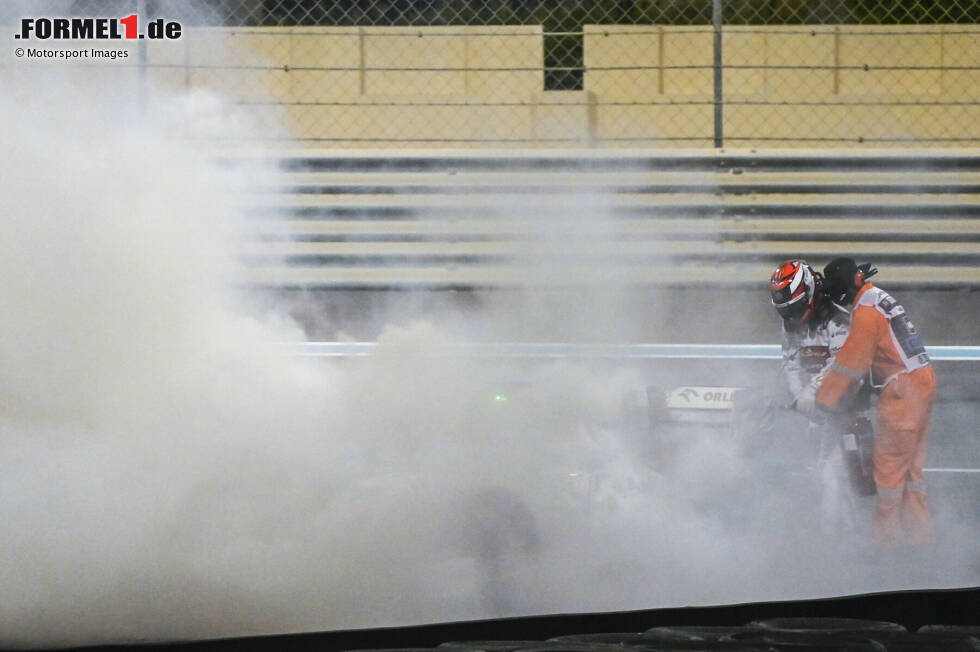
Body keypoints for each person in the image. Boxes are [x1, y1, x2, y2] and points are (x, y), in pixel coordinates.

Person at [814, 257, 936, 546]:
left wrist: (824, 399)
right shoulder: (877, 297)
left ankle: (885, 546)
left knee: (888, 473)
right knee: (911, 471)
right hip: (923, 380)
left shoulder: (866, 312)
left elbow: (851, 363)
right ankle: (921, 539)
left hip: (902, 391)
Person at [770, 259, 861, 533]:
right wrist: (799, 398)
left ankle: (832, 541)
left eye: (795, 308)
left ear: (809, 293)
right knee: (821, 476)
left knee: (833, 475)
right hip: (813, 410)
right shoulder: (790, 324)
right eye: (785, 311)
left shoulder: (840, 322)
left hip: (849, 410)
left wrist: (806, 399)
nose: (791, 317)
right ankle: (850, 535)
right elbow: (790, 361)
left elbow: (839, 369)